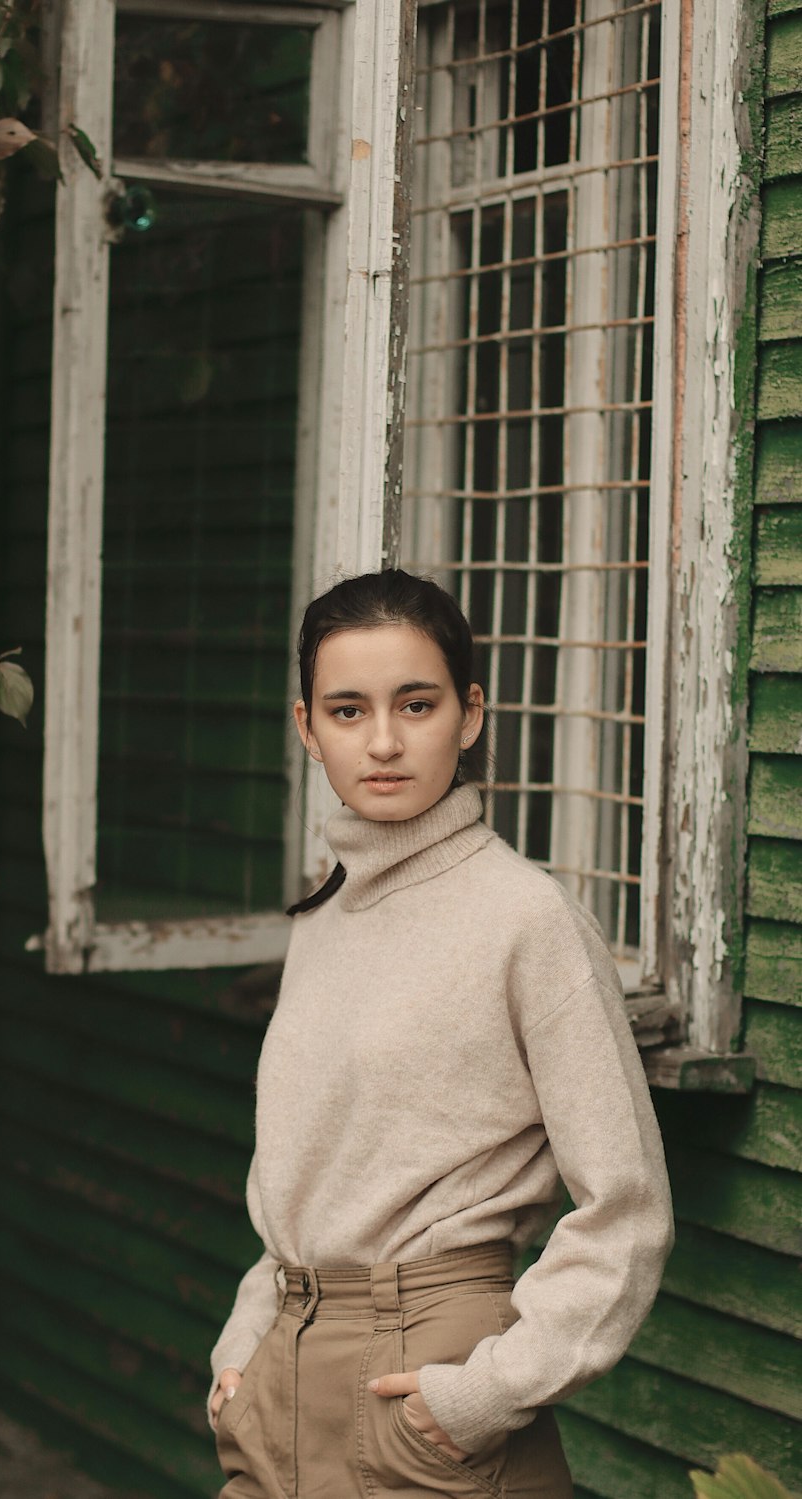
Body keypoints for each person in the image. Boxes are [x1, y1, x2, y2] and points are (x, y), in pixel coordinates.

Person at [208, 569, 673, 1498]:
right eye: (348, 711)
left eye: (414, 704)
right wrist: (248, 1332)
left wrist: (483, 1393)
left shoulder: (525, 920)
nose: (382, 740)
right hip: (279, 1382)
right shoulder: (324, 919)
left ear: (468, 716)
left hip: (425, 1383)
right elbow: (309, 1166)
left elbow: (627, 1208)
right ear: (307, 728)